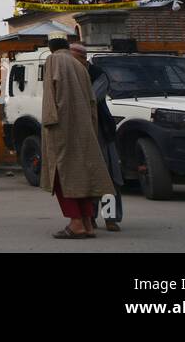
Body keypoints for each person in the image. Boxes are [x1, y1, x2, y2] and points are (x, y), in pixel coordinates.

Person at [41, 38, 113, 239]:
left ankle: (76, 223)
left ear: (51, 48)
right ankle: (88, 222)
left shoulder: (53, 60)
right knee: (82, 176)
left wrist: (48, 122)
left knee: (61, 176)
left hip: (61, 127)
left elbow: (50, 93)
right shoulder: (80, 66)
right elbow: (92, 101)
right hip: (84, 128)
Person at [74, 47, 124, 232]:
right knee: (88, 177)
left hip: (101, 131)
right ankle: (90, 217)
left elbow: (91, 99)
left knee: (108, 176)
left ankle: (110, 218)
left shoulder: (97, 74)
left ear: (82, 59)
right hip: (82, 134)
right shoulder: (72, 75)